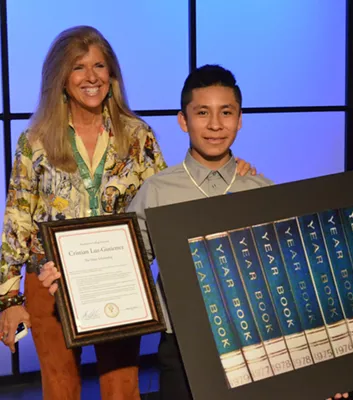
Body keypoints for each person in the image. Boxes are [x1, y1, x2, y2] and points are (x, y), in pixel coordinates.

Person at [0, 27, 254, 400]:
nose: (92, 77)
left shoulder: (138, 135)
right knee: (60, 389)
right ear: (61, 78)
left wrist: (230, 171)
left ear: (112, 74)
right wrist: (10, 300)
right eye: (78, 67)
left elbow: (170, 201)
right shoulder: (35, 139)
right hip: (50, 280)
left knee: (122, 389)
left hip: (118, 279)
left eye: (100, 65)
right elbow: (17, 218)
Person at [124, 65, 349, 400]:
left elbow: (293, 279)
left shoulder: (261, 188)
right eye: (202, 113)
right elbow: (128, 263)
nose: (215, 125)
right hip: (183, 350)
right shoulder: (157, 190)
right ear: (183, 120)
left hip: (257, 343)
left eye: (226, 113)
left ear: (240, 119)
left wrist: (323, 367)